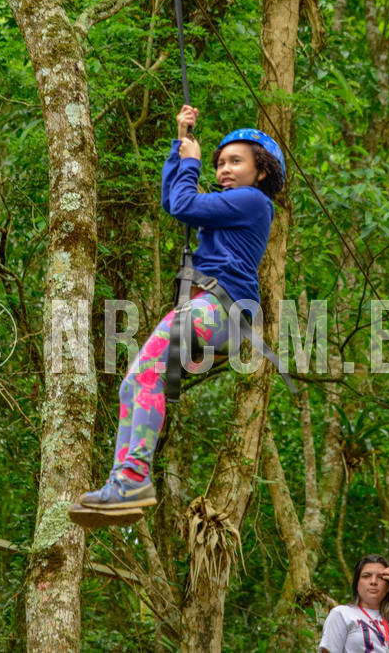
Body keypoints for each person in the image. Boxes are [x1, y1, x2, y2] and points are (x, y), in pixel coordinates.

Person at [76, 104, 285, 516]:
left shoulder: (253, 202)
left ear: (260, 171)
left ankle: (133, 479)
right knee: (134, 383)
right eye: (220, 162)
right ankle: (125, 480)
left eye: (236, 162)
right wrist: (179, 146)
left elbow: (186, 204)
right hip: (212, 308)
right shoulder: (232, 204)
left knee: (147, 375)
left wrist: (189, 163)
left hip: (221, 306)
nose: (224, 169)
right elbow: (174, 202)